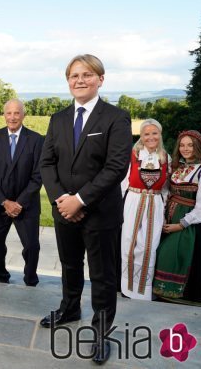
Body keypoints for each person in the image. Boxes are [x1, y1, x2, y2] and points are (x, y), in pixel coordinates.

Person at [39, 55, 132, 364]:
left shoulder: (116, 118)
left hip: (100, 213)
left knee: (104, 275)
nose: (79, 80)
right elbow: (47, 163)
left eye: (87, 74)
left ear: (100, 79)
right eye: (73, 75)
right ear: (68, 81)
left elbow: (116, 166)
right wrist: (61, 200)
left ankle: (102, 333)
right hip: (64, 211)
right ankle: (70, 309)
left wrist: (80, 199)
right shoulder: (59, 119)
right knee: (69, 265)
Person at [153, 130, 201, 307]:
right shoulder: (177, 167)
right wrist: (162, 214)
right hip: (169, 217)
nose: (185, 149)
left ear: (198, 146)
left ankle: (187, 295)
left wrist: (180, 225)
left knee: (175, 255)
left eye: (190, 145)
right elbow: (167, 191)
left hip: (189, 223)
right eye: (182, 145)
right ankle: (165, 293)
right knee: (160, 253)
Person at [0, 99, 43, 286]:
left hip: (26, 205)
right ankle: (1, 277)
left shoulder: (35, 139)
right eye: (9, 113)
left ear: (23, 115)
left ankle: (30, 279)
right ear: (4, 115)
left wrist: (19, 203)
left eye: (17, 113)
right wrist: (4, 201)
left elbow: (38, 176)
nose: (12, 117)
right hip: (0, 204)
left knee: (32, 247)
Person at [119, 119, 170, 300]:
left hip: (155, 203)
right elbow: (123, 182)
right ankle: (127, 287)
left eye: (154, 133)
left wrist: (164, 210)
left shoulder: (165, 157)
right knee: (129, 242)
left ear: (160, 135)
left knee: (149, 246)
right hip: (134, 199)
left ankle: (143, 290)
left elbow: (165, 188)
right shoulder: (133, 154)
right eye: (146, 134)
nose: (151, 137)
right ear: (141, 136)